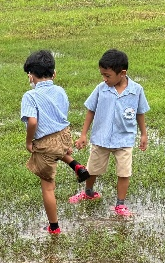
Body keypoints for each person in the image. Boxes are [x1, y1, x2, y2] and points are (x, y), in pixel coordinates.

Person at [71, 49, 150, 217]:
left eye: (107, 76)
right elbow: (90, 110)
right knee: (92, 169)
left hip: (124, 140)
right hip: (101, 138)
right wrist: (83, 134)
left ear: (122, 73)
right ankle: (89, 192)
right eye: (102, 75)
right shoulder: (101, 89)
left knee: (124, 172)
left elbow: (140, 113)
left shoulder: (136, 90)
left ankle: (120, 205)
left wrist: (143, 134)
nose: (104, 79)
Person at [20, 50, 89, 235]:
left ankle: (54, 227)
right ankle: (77, 166)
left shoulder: (30, 96)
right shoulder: (60, 90)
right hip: (64, 134)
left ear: (30, 76)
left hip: (45, 142)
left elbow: (33, 122)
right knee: (60, 151)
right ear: (54, 74)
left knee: (48, 186)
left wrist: (29, 142)